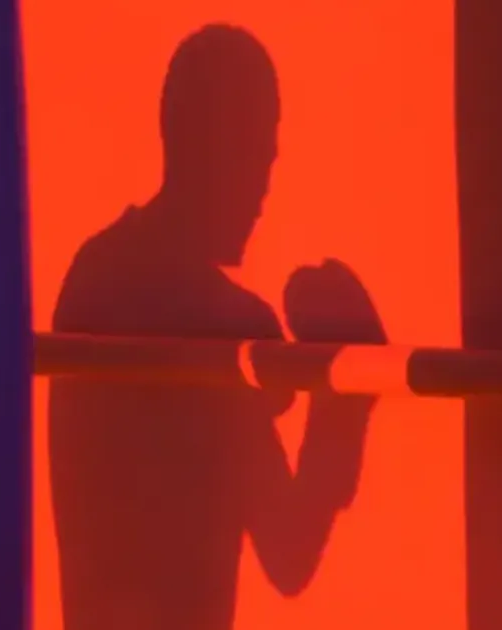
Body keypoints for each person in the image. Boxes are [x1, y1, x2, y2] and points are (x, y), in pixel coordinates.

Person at [48, 23, 387, 630]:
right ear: (207, 146)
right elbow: (290, 550)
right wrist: (345, 396)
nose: (263, 186)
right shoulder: (213, 315)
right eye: (255, 151)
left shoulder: (93, 274)